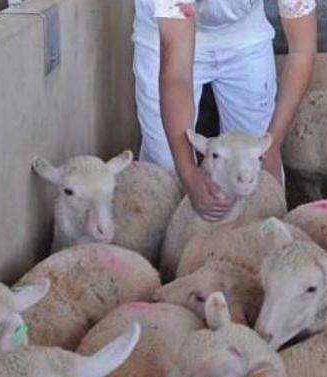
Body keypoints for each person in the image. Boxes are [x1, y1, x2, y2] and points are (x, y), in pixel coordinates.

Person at [132, 0, 317, 221]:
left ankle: (261, 244)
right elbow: (177, 75)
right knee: (166, 165)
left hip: (243, 34)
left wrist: (271, 143)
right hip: (164, 33)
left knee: (254, 163)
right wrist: (187, 171)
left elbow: (302, 52)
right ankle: (163, 250)